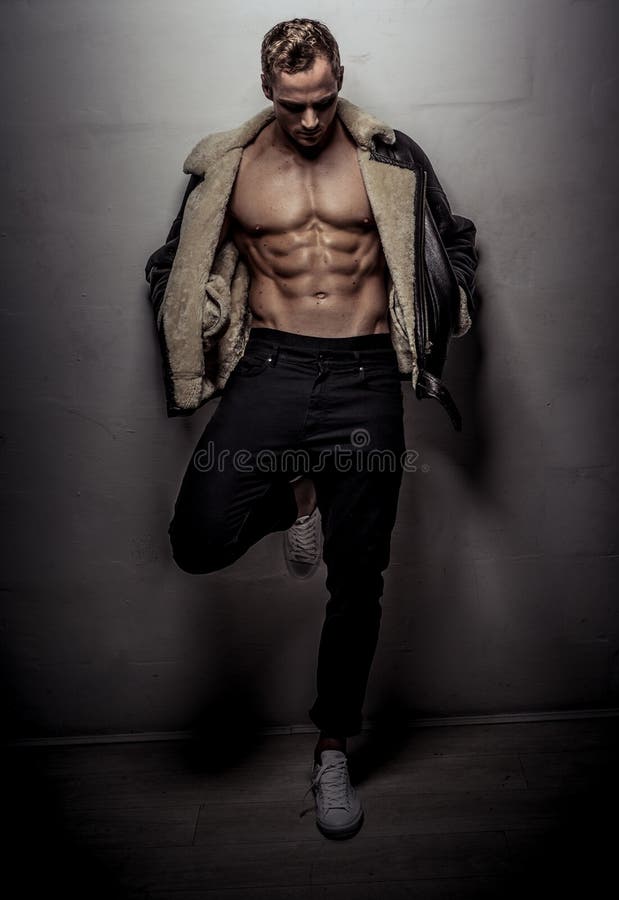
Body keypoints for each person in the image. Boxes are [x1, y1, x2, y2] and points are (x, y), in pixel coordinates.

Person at [144, 18, 478, 840]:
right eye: (293, 104)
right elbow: (171, 264)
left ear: (337, 83)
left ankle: (333, 744)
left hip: (366, 376)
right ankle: (302, 496)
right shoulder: (226, 167)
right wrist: (203, 306)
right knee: (199, 535)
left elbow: (456, 243)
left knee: (357, 578)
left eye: (323, 101)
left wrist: (436, 304)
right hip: (272, 369)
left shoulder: (391, 155)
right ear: (267, 90)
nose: (308, 120)